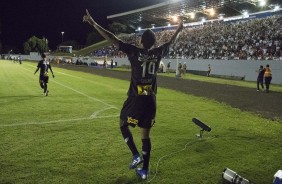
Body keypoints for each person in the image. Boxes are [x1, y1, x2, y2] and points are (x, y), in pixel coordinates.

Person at [83, 9, 183, 180]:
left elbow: (112, 38)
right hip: (151, 99)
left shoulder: (134, 51)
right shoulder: (158, 53)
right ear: (153, 42)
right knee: (145, 136)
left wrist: (94, 23)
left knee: (123, 123)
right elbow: (172, 41)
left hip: (137, 99)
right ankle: (145, 170)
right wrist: (179, 29)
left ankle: (135, 154)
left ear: (142, 40)